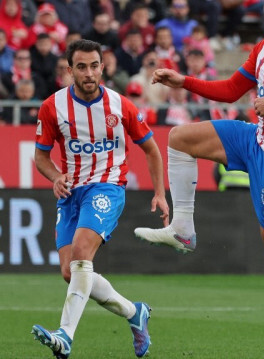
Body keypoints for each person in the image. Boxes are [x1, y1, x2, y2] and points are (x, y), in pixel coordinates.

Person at [133, 0, 264, 358]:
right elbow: (230, 90)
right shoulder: (262, 48)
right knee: (179, 138)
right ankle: (183, 228)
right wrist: (184, 81)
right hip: (256, 139)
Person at [30, 39, 169, 359]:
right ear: (70, 70)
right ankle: (134, 313)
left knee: (81, 252)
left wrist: (160, 193)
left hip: (107, 188)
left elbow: (151, 149)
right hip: (71, 193)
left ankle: (65, 335)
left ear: (103, 67)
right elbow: (41, 157)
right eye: (81, 67)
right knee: (71, 271)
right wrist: (56, 177)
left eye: (94, 66)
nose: (89, 73)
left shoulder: (122, 106)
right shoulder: (53, 106)